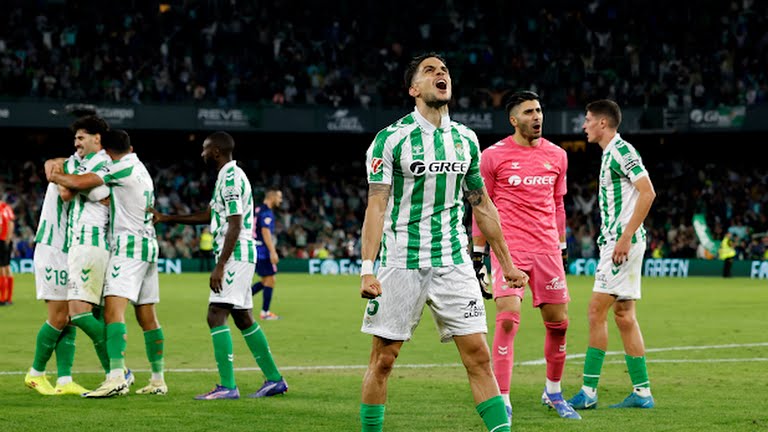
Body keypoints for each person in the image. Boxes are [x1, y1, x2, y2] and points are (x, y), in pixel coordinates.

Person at [358, 52, 528, 432]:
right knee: (384, 360)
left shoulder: (466, 140)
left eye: (445, 70)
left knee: (479, 358)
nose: (441, 75)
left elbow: (481, 204)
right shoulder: (391, 139)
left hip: (453, 262)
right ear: (413, 88)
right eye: (430, 71)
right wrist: (368, 270)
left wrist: (508, 263)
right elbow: (376, 205)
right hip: (401, 262)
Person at [149, 131, 287, 400]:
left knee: (215, 313)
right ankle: (274, 379)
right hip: (238, 254)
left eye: (204, 149)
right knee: (243, 317)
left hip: (235, 254)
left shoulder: (232, 178)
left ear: (215, 151)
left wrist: (221, 265)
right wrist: (167, 217)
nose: (201, 153)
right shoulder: (224, 177)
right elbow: (210, 214)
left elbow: (235, 222)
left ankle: (227, 386)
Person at [471, 90, 580, 420]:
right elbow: (481, 207)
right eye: (529, 112)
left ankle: (554, 392)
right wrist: (478, 256)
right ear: (513, 119)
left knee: (559, 325)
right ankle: (502, 398)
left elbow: (559, 204)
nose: (537, 117)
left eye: (539, 110)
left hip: (547, 250)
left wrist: (561, 247)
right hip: (510, 249)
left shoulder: (558, 156)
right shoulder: (492, 156)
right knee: (506, 319)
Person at [48, 129, 167, 397]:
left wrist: (56, 175)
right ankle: (158, 379)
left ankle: (116, 377)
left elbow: (81, 182)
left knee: (113, 312)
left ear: (108, 152)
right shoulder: (140, 167)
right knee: (147, 315)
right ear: (131, 148)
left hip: (128, 248)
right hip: (149, 245)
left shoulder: (118, 169)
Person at [567, 99, 657, 409]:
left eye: (588, 119)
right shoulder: (611, 155)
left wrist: (626, 237)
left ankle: (589, 393)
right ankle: (642, 393)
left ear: (602, 123)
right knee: (624, 316)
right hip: (620, 243)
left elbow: (648, 192)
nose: (584, 125)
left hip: (621, 246)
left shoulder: (621, 151)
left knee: (595, 311)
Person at [43, 115, 121, 384]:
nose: (75, 143)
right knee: (90, 313)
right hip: (82, 244)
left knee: (78, 313)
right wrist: (60, 173)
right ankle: (113, 373)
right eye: (75, 138)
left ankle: (119, 369)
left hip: (91, 242)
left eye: (80, 137)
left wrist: (62, 176)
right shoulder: (82, 162)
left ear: (97, 138)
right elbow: (55, 172)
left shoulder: (101, 162)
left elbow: (67, 189)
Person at [24, 148, 93, 396]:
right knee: (59, 316)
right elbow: (62, 186)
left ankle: (64, 379)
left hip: (70, 250)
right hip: (53, 248)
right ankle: (35, 373)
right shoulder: (71, 166)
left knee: (71, 318)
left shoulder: (86, 170)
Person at [250, 186, 284, 320]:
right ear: (272, 197)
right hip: (262, 250)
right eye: (279, 197)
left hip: (255, 248)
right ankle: (265, 312)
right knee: (270, 280)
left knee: (265, 280)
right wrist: (273, 251)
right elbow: (265, 232)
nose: (280, 200)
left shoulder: (257, 210)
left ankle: (238, 302)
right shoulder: (267, 213)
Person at [0, 199, 15, 305]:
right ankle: (8, 298)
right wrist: (8, 239)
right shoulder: (6, 207)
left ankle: (2, 298)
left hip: (1, 240)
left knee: (1, 269)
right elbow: (11, 223)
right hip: (8, 240)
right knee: (7, 267)